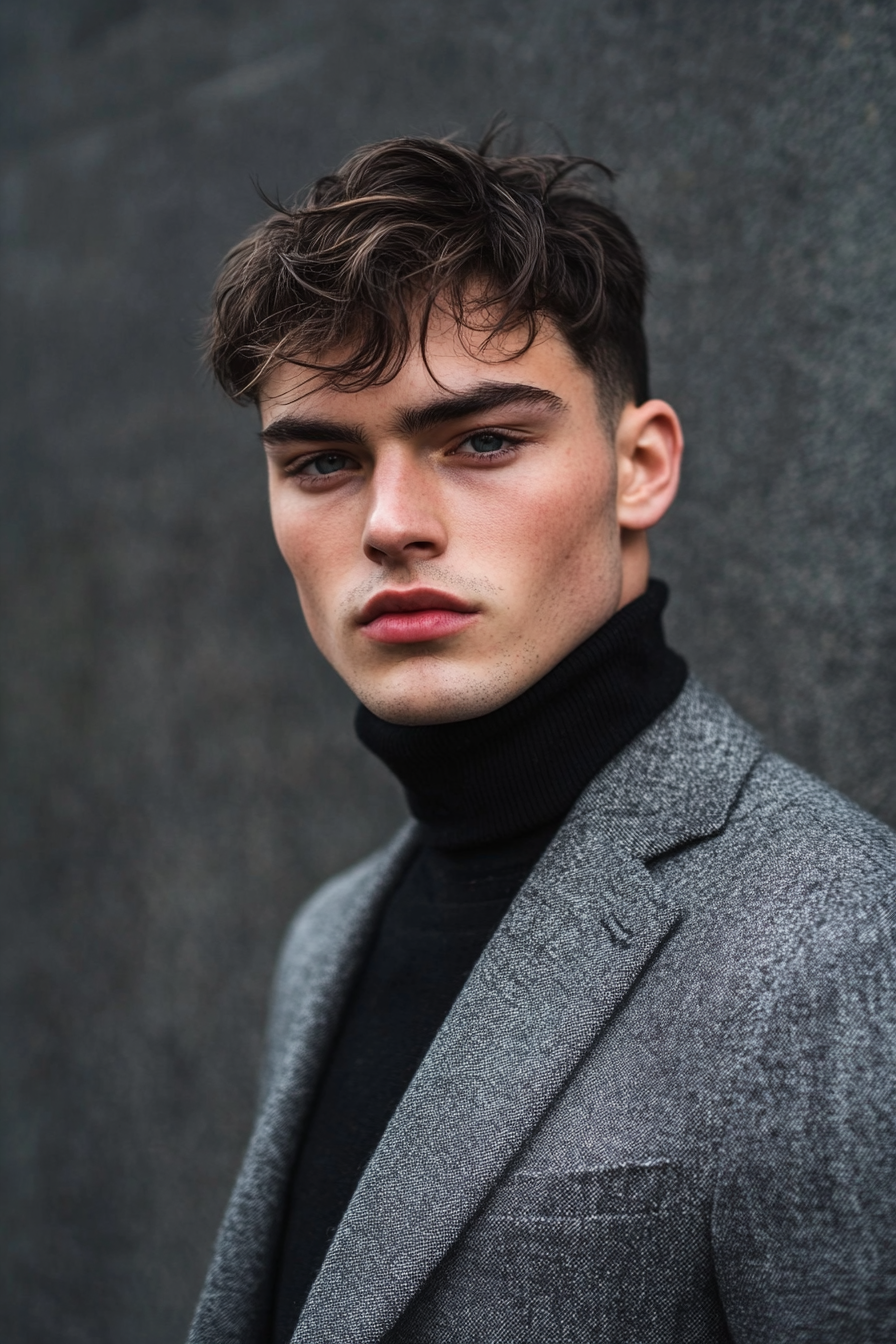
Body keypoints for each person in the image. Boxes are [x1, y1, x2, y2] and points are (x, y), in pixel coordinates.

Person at [187, 135, 896, 1344]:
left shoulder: (834, 937)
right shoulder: (324, 941)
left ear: (639, 465)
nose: (391, 525)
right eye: (321, 460)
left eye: (480, 442)